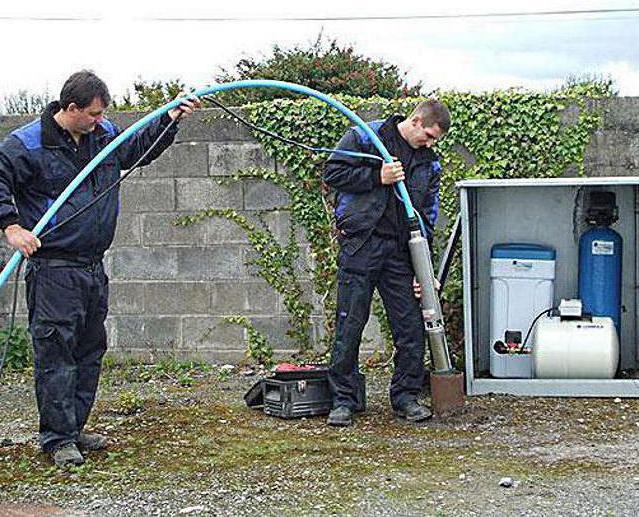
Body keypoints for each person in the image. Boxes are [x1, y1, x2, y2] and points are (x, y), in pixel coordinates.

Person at [0, 70, 199, 467]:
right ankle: (57, 438)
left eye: (102, 114)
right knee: (57, 352)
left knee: (90, 350)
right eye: (92, 114)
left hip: (92, 267)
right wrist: (11, 226)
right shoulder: (26, 144)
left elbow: (139, 148)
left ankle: (74, 428)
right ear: (69, 109)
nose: (100, 120)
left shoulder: (103, 136)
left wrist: (170, 118)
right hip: (54, 269)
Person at [324, 100, 451, 426]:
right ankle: (344, 400)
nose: (430, 143)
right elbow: (333, 173)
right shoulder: (366, 137)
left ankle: (406, 397)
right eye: (429, 135)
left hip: (400, 252)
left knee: (410, 327)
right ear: (416, 119)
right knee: (349, 325)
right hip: (361, 244)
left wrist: (425, 269)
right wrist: (376, 176)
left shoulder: (428, 164)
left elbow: (427, 217)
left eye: (435, 139)